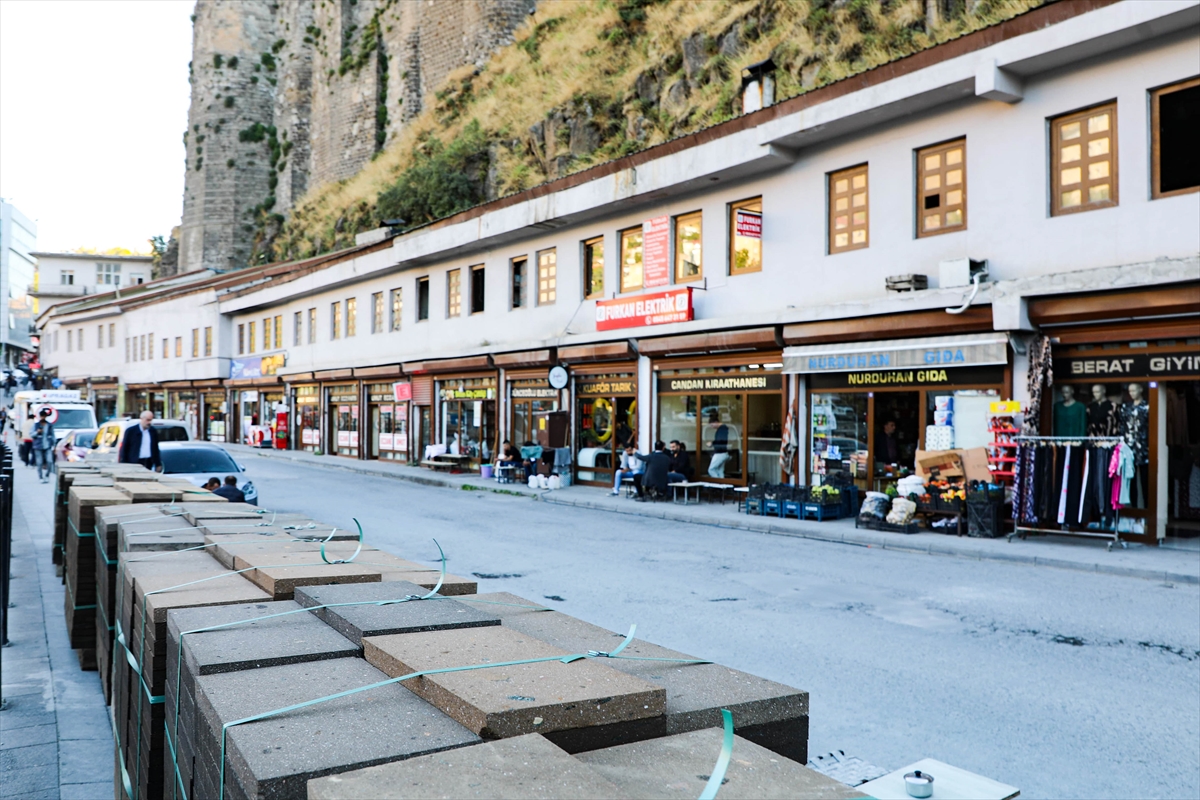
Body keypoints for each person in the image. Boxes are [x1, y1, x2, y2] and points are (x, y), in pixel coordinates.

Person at [31, 409, 56, 483]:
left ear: (45, 416)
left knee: (49, 461)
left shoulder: (49, 425)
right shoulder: (36, 425)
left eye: (44, 416)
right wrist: (37, 432)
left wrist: (54, 445)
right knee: (39, 462)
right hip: (38, 446)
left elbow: (53, 435)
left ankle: (47, 475)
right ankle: (40, 477)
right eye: (41, 416)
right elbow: (31, 434)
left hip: (47, 446)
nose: (42, 418)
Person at [705, 411, 732, 478]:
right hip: (723, 453)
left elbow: (720, 441)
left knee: (711, 469)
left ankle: (719, 483)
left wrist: (712, 443)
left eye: (712, 425)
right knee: (720, 471)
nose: (712, 427)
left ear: (716, 422)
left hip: (719, 453)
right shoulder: (723, 428)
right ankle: (722, 485)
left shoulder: (722, 429)